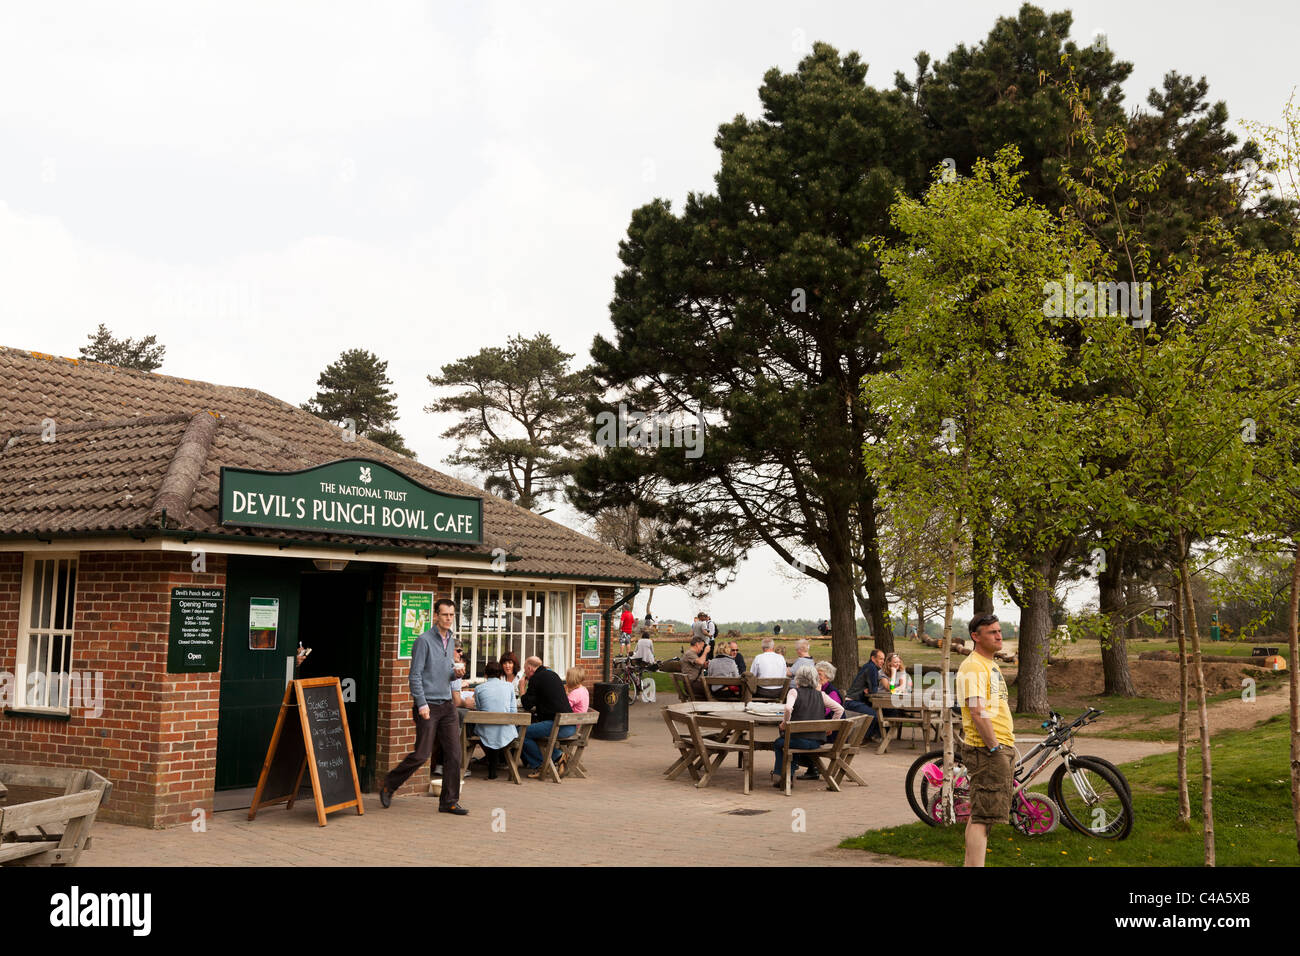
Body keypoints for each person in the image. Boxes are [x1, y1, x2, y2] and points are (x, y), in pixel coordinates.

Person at [380, 598, 468, 815]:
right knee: (422, 754)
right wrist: (421, 704)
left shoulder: (451, 641)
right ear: (436, 616)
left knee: (454, 755)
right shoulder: (423, 641)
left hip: (447, 706)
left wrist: (454, 673)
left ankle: (449, 801)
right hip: (428, 705)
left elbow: (444, 673)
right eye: (445, 614)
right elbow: (415, 675)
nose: (448, 618)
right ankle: (389, 784)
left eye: (452, 615)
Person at [956, 613, 1015, 868]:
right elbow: (977, 712)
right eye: (992, 632)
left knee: (981, 814)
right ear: (975, 637)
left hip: (997, 746)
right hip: (987, 750)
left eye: (999, 631)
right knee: (984, 818)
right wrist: (995, 748)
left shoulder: (990, 664)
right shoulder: (973, 666)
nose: (999, 635)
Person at [772, 666, 843, 787]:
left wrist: (785, 723)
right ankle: (789, 775)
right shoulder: (822, 695)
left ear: (798, 678)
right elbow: (839, 709)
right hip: (816, 741)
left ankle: (780, 775)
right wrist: (830, 727)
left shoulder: (794, 692)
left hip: (797, 741)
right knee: (789, 742)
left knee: (780, 743)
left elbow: (788, 708)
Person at [520, 655, 574, 778]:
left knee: (521, 732)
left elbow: (527, 704)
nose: (525, 674)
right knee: (532, 731)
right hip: (570, 725)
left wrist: (522, 688)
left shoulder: (536, 678)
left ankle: (540, 765)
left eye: (525, 670)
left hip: (557, 726)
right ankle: (558, 756)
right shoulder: (553, 675)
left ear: (529, 668)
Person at [465, 660, 516, 780]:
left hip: (485, 730)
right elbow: (513, 711)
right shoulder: (509, 686)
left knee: (484, 729)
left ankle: (489, 767)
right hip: (505, 731)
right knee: (503, 728)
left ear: (485, 674)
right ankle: (500, 764)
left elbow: (478, 708)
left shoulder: (478, 688)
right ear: (500, 674)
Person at [844, 648, 885, 741]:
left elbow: (871, 690)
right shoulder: (871, 668)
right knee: (874, 715)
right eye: (881, 659)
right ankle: (862, 739)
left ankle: (874, 736)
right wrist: (870, 690)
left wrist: (869, 690)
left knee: (883, 712)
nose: (883, 661)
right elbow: (874, 690)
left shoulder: (870, 667)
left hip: (857, 701)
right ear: (873, 658)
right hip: (852, 702)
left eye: (883, 659)